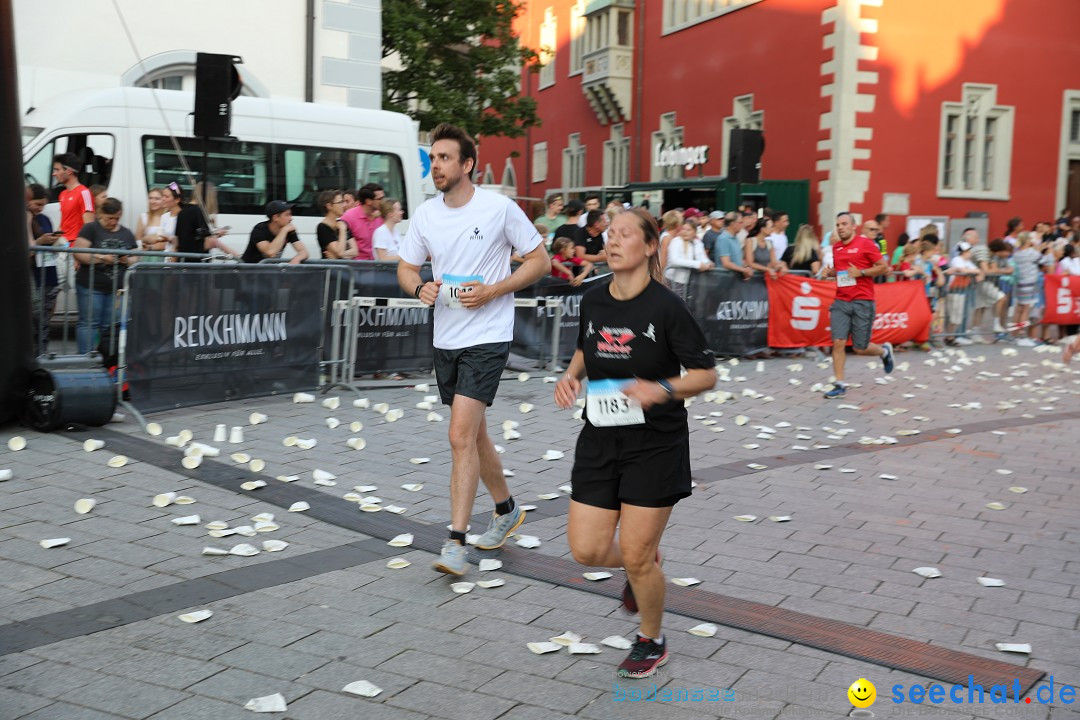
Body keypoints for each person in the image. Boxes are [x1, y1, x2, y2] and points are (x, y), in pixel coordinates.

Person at [553, 208, 717, 680]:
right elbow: (587, 345)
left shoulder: (668, 307)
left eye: (626, 233)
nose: (613, 239)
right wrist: (570, 375)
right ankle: (644, 562)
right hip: (600, 438)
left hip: (656, 443)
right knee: (586, 550)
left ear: (649, 247)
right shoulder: (593, 298)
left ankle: (652, 638)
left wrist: (660, 389)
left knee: (637, 554)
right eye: (610, 233)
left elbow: (706, 373)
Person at [396, 122, 549, 576]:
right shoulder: (426, 214)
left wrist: (496, 289)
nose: (435, 166)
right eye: (433, 159)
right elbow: (406, 268)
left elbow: (541, 260)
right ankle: (506, 511)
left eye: (444, 158)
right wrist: (419, 288)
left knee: (459, 436)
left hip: (487, 335)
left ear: (467, 164)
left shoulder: (499, 208)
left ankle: (455, 543)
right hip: (447, 337)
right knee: (475, 434)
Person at [821, 212, 894, 398]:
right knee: (838, 342)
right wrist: (832, 274)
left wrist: (861, 272)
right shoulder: (836, 248)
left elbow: (883, 267)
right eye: (838, 225)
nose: (840, 227)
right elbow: (843, 273)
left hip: (862, 301)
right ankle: (839, 384)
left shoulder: (866, 244)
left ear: (854, 226)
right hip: (841, 301)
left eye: (844, 224)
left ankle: (884, 351)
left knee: (860, 348)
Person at [72, 198, 137, 354]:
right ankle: (86, 359)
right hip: (91, 286)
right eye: (110, 218)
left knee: (109, 326)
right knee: (89, 323)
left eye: (117, 218)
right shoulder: (90, 229)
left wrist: (126, 259)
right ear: (101, 214)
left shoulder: (126, 233)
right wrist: (102, 257)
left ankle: (105, 358)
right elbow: (78, 253)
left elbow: (136, 257)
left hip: (116, 289)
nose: (113, 222)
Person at [27, 184, 62, 354]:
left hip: (48, 271)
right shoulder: (24, 218)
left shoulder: (44, 219)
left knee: (45, 318)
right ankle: (36, 354)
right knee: (35, 318)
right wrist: (39, 242)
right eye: (38, 204)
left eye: (43, 205)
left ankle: (42, 353)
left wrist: (54, 240)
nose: (41, 209)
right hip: (33, 273)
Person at [173, 183, 232, 261]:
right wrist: (216, 235)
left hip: (184, 261)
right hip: (196, 262)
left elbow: (182, 239)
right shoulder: (198, 212)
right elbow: (203, 240)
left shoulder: (183, 211)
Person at [243, 200, 309, 264]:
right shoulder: (259, 229)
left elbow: (304, 252)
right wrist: (283, 231)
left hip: (271, 271)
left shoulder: (289, 231)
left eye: (290, 214)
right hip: (250, 271)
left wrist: (296, 259)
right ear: (275, 218)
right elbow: (270, 253)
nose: (291, 218)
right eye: (287, 215)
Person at [944, 241, 982, 345]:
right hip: (954, 290)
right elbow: (962, 270)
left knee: (958, 316)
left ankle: (950, 337)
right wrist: (971, 271)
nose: (970, 253)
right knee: (954, 315)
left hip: (961, 290)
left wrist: (972, 271)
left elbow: (977, 270)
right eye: (969, 251)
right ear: (964, 252)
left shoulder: (968, 262)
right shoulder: (957, 259)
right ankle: (949, 336)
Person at [52, 152, 94, 243]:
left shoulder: (84, 193)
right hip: (63, 245)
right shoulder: (62, 194)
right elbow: (64, 222)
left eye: (57, 170)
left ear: (69, 171)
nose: (54, 174)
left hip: (75, 248)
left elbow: (89, 226)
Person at [664, 221, 712, 299]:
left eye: (688, 230)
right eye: (683, 229)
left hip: (692, 281)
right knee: (676, 304)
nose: (685, 232)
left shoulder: (697, 243)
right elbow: (674, 260)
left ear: (694, 232)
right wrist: (697, 264)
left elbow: (702, 257)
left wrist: (708, 263)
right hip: (675, 280)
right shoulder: (676, 241)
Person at [340, 186, 383, 259]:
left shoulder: (382, 216)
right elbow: (340, 245)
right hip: (357, 268)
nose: (383, 201)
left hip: (378, 266)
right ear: (368, 201)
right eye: (379, 199)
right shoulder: (348, 217)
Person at [316, 190, 357, 260]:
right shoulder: (323, 227)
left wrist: (337, 255)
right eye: (340, 202)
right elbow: (339, 252)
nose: (344, 205)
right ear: (329, 206)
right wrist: (342, 230)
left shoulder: (343, 223)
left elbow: (355, 251)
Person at [135, 187, 171, 261]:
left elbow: (170, 242)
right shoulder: (143, 217)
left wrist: (151, 244)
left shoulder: (169, 218)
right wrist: (145, 240)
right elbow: (138, 240)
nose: (153, 201)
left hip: (165, 258)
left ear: (163, 200)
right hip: (146, 258)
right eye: (150, 198)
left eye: (157, 199)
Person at [714, 213, 752, 279]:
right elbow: (726, 263)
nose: (742, 225)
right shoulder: (723, 239)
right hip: (725, 279)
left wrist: (746, 267)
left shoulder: (735, 237)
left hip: (735, 279)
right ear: (733, 224)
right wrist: (744, 270)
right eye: (740, 222)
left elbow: (738, 259)